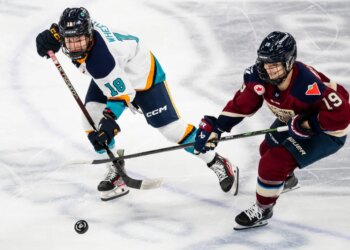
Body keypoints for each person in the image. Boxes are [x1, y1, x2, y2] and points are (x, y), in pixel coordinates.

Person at [35, 7, 239, 201]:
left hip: (143, 79)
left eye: (79, 40)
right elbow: (59, 33)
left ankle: (217, 161)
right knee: (90, 118)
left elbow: (122, 95)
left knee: (172, 130)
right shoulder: (77, 33)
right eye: (69, 41)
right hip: (113, 76)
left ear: (88, 35)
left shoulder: (102, 61)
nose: (75, 47)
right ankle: (115, 167)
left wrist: (109, 121)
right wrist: (48, 36)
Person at [194, 31, 350, 230]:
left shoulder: (307, 85)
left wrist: (306, 124)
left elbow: (342, 114)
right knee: (266, 148)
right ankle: (287, 180)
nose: (269, 70)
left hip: (327, 131)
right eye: (266, 63)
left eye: (275, 64)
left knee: (272, 163)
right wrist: (217, 128)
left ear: (290, 62)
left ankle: (264, 209)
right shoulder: (258, 77)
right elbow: (242, 105)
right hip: (295, 117)